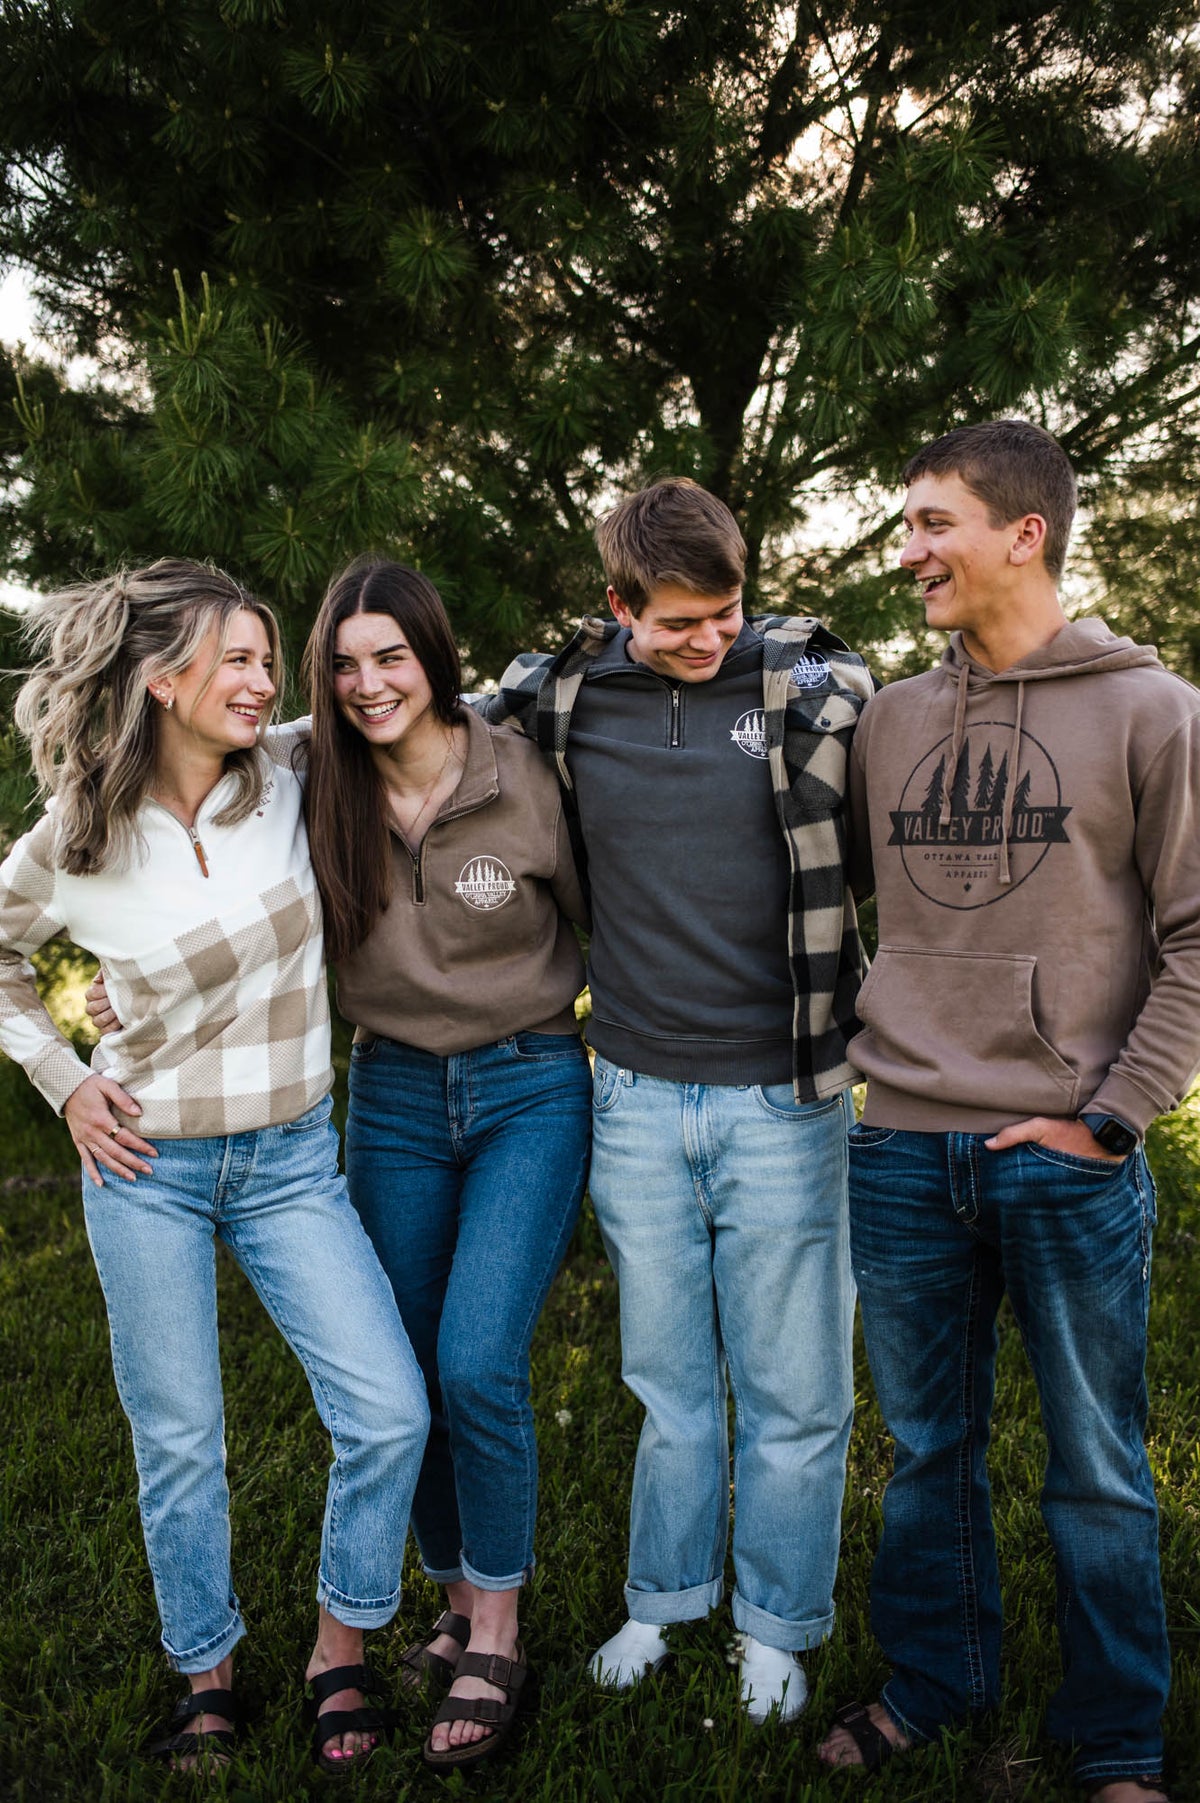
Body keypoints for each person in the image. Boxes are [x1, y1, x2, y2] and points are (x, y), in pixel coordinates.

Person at [817, 421, 1200, 1803]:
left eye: (932, 523)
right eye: (902, 523)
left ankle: (1115, 1735)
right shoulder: (893, 719)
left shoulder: (1153, 710)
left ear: (1023, 533)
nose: (906, 548)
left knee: (1097, 1464)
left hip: (1063, 1145)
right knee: (927, 1451)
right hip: (904, 1135)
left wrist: (1112, 1117)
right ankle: (936, 1677)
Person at [0, 560, 429, 1775]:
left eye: (262, 657)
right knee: (181, 1438)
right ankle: (209, 1673)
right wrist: (66, 1081)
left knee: (389, 1414)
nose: (261, 679)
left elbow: (434, 695)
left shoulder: (295, 769)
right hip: (150, 1170)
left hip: (293, 1160)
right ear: (159, 681)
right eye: (235, 658)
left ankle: (340, 1650)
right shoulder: (76, 836)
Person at [477, 477, 875, 1722]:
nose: (708, 639)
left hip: (788, 1096)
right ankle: (664, 1599)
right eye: (679, 622)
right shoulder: (561, 700)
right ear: (618, 607)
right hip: (635, 1094)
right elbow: (411, 736)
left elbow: (886, 723)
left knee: (796, 1386)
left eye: (727, 612)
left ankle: (777, 1624)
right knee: (667, 1379)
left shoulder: (800, 688)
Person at [296, 558, 592, 1769]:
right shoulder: (308, 782)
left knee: (478, 1360)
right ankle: (452, 1595)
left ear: (435, 658)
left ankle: (502, 1623)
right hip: (396, 1092)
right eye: (347, 664)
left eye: (392, 657)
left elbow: (612, 921)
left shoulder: (525, 773)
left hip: (530, 1081)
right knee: (405, 1376)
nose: (370, 685)